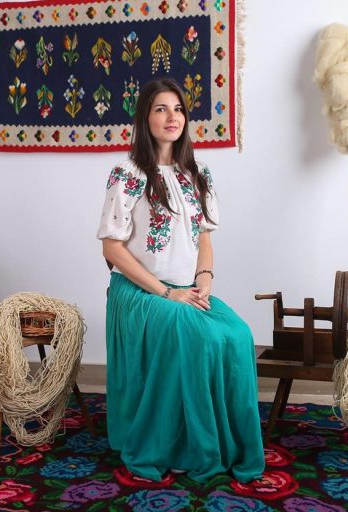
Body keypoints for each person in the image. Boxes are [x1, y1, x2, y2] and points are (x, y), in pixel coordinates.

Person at [96, 78, 265, 483]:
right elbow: (112, 249)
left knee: (237, 334)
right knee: (193, 333)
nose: (172, 117)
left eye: (178, 109)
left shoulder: (198, 173)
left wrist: (204, 280)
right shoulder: (128, 173)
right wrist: (167, 292)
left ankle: (226, 442)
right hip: (140, 292)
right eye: (160, 109)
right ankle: (178, 444)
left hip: (184, 289)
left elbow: (204, 238)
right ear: (145, 117)